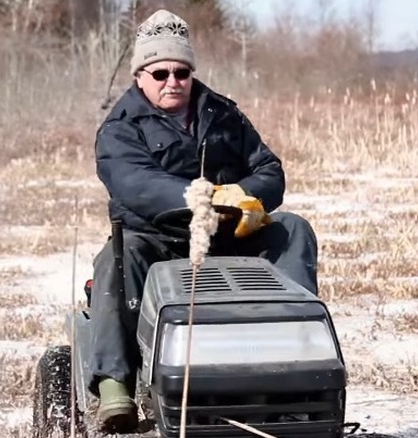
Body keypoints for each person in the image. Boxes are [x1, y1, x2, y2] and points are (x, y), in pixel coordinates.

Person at [86, 8, 319, 433]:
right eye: (160, 74)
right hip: (156, 240)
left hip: (228, 236)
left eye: (181, 72)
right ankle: (114, 384)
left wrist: (246, 198)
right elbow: (135, 184)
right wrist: (203, 197)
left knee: (293, 229)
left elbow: (269, 168)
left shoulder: (223, 114)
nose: (172, 81)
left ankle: (294, 356)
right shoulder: (119, 129)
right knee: (115, 261)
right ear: (141, 75)